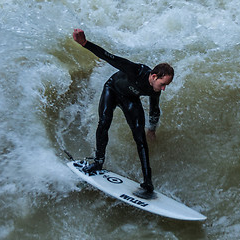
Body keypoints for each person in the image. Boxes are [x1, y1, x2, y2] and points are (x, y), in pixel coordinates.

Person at [72, 29, 174, 193]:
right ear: (154, 76)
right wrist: (85, 43)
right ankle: (98, 161)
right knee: (104, 122)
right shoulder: (136, 70)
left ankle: (148, 182)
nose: (163, 89)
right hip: (112, 90)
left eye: (166, 86)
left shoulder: (154, 91)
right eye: (163, 84)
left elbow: (155, 110)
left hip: (130, 99)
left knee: (140, 138)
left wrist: (152, 130)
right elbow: (108, 56)